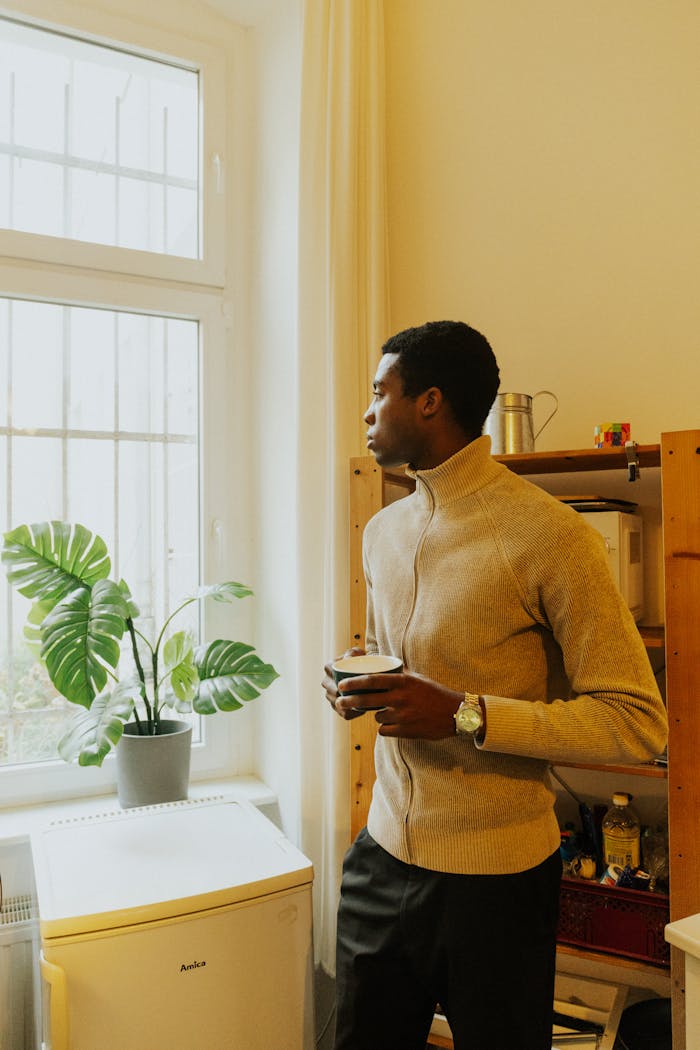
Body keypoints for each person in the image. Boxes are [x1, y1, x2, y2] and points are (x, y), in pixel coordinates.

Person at [322, 320, 668, 1050]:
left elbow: (636, 720)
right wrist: (365, 683)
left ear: (429, 401)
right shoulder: (381, 532)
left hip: (498, 884)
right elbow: (404, 665)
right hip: (380, 859)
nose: (367, 411)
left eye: (379, 392)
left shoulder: (550, 536)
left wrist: (465, 715)